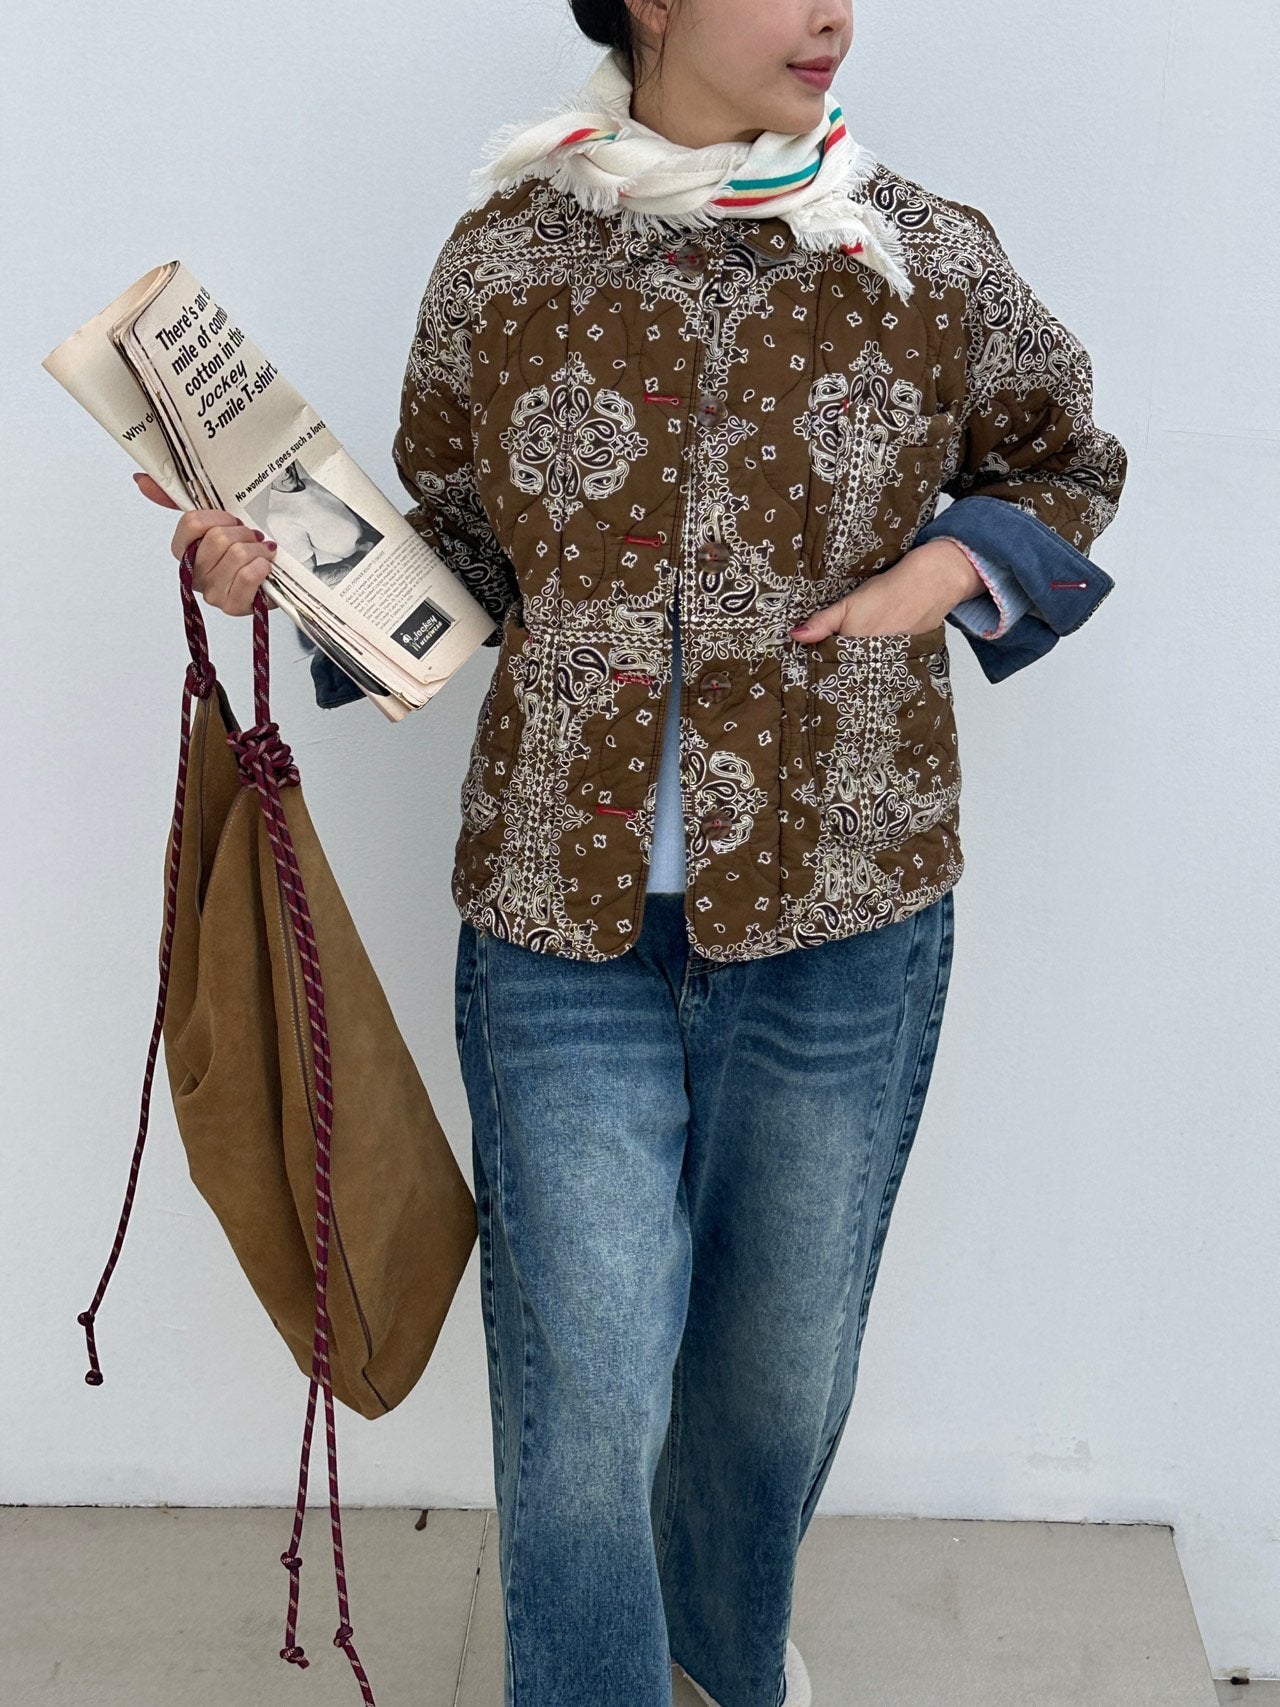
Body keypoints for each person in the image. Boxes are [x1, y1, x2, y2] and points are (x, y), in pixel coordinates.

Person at [136, 2, 1127, 1702]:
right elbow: (460, 547)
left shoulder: (925, 251)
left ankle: (727, 1667)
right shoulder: (507, 257)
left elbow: (1064, 459)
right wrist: (279, 567)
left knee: (775, 1377)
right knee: (589, 1379)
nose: (832, 14)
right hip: (557, 921)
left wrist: (946, 574)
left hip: (846, 905)